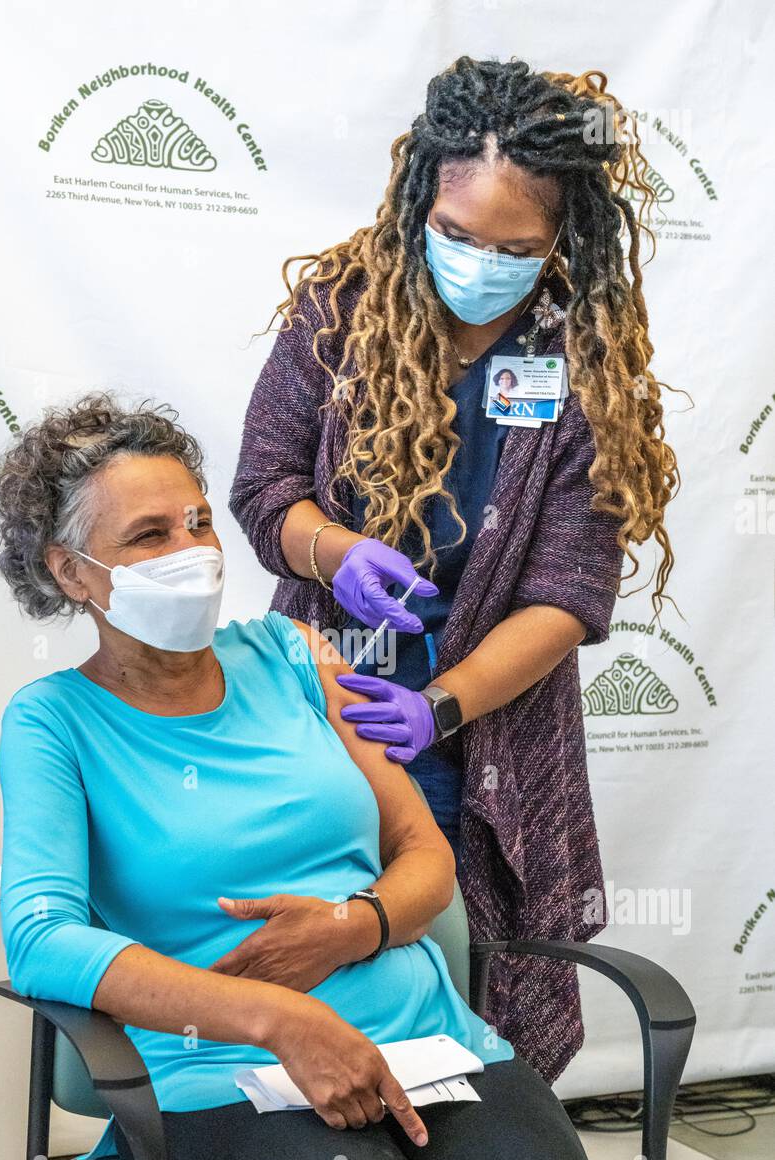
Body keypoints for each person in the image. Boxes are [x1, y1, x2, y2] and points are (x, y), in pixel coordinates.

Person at [0, 393, 619, 1160]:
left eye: (199, 522)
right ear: (72, 572)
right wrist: (278, 1017)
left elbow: (422, 854)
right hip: (221, 1072)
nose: (193, 552)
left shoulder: (294, 653)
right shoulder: (54, 722)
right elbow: (42, 940)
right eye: (149, 535)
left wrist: (350, 928)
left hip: (426, 1041)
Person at [230, 55, 679, 1087]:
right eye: (457, 235)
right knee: (315, 961)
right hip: (317, 707)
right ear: (416, 200)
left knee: (457, 992)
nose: (481, 261)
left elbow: (565, 595)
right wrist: (332, 553)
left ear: (561, 238)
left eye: (514, 247)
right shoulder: (337, 318)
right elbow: (263, 489)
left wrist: (440, 705)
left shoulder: (578, 363)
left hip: (478, 736)